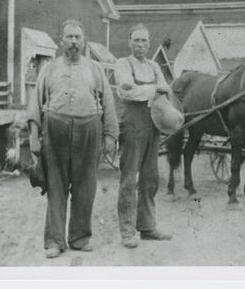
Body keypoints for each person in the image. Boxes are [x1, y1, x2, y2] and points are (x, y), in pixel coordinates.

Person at [28, 20, 118, 258]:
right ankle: (55, 241)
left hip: (89, 131)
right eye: (69, 37)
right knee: (56, 186)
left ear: (84, 40)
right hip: (55, 131)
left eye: (78, 37)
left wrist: (110, 135)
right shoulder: (49, 69)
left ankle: (79, 238)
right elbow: (35, 104)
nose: (74, 42)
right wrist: (34, 136)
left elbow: (108, 103)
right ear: (61, 41)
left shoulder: (95, 69)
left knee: (86, 187)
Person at [114, 23, 173, 249]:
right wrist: (154, 90)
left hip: (153, 126)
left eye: (144, 41)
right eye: (136, 40)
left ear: (149, 44)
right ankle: (128, 231)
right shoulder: (122, 64)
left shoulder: (154, 66)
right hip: (132, 126)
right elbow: (127, 92)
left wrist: (153, 90)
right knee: (129, 180)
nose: (140, 45)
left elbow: (166, 89)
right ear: (130, 42)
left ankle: (147, 226)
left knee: (150, 178)